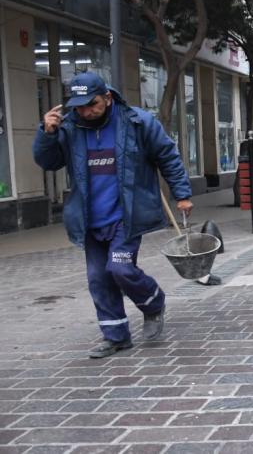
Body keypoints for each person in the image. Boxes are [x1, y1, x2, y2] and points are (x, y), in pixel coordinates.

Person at [33, 72, 193, 359]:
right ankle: (116, 336)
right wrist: (47, 134)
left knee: (119, 269)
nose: (85, 111)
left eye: (91, 104)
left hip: (126, 215)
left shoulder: (137, 122)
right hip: (89, 219)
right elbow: (49, 162)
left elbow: (167, 155)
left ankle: (154, 303)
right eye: (79, 105)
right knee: (98, 278)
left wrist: (182, 194)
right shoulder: (69, 128)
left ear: (107, 98)